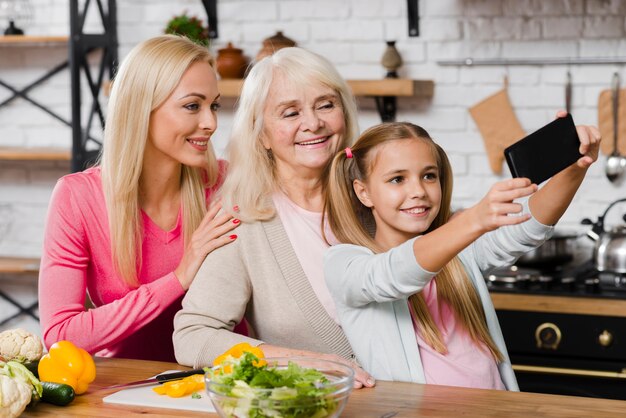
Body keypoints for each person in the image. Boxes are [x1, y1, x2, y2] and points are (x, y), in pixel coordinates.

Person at [323, 119, 600, 389]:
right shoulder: (344, 263)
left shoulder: (459, 246)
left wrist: (575, 168)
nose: (418, 191)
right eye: (397, 179)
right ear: (364, 193)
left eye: (429, 176)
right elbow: (394, 273)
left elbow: (526, 228)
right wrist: (473, 220)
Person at [173, 47, 374, 388]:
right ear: (262, 134)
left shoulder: (378, 196)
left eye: (326, 104)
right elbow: (193, 336)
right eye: (290, 112)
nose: (313, 123)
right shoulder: (242, 218)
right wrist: (292, 360)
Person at [38, 35, 240, 362]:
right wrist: (178, 278)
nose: (211, 123)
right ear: (141, 107)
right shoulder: (77, 197)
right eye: (193, 105)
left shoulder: (225, 183)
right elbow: (60, 335)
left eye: (213, 105)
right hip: (125, 384)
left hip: (224, 381)